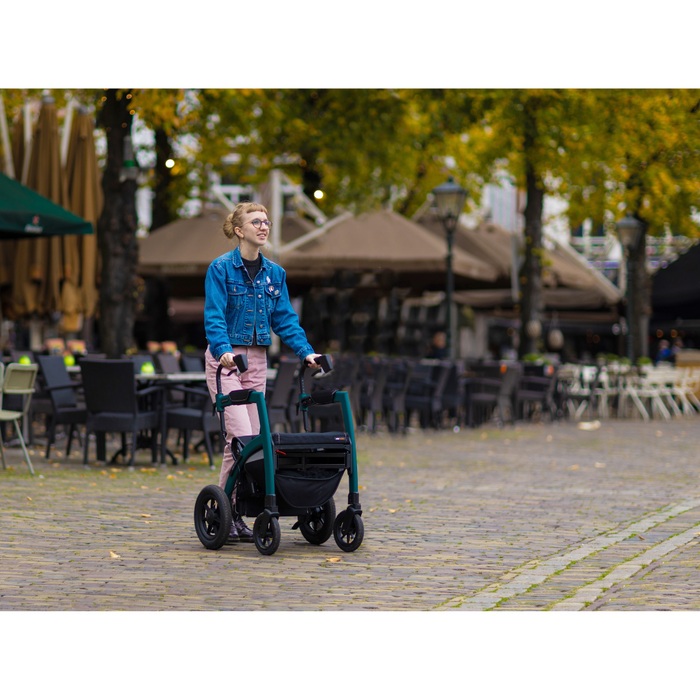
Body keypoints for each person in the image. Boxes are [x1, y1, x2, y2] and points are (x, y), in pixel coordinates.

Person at [204, 202, 322, 541]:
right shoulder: (221, 269)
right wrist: (223, 350)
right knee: (239, 437)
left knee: (256, 442)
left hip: (256, 360)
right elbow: (214, 315)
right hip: (226, 360)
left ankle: (234, 511)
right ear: (240, 230)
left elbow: (285, 319)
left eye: (266, 221)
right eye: (256, 222)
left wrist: (306, 352)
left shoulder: (275, 274)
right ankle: (226, 510)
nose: (264, 226)